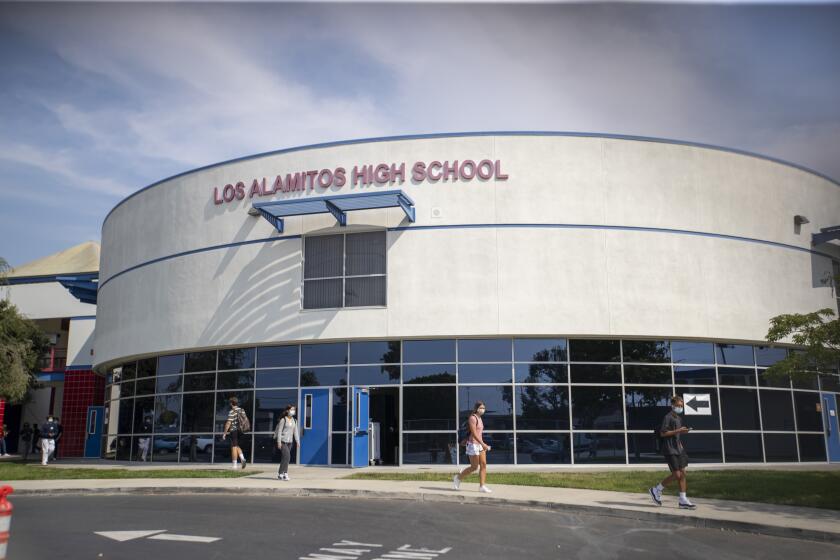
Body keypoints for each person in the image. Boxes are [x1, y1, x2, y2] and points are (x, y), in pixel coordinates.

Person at [649, 395, 697, 509]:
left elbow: (677, 435)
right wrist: (678, 430)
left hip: (679, 449)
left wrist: (682, 433)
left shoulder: (679, 419)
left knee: (683, 474)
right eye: (678, 405)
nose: (680, 407)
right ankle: (656, 490)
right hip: (670, 450)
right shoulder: (668, 417)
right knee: (677, 474)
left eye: (681, 406)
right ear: (672, 405)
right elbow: (663, 433)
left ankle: (683, 500)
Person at [453, 401, 492, 493]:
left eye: (484, 408)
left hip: (480, 444)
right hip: (473, 444)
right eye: (481, 408)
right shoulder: (472, 418)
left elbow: (479, 434)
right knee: (474, 467)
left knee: (483, 464)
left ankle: (482, 486)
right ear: (476, 408)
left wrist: (482, 444)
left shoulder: (480, 418)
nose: (483, 410)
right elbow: (474, 434)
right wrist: (483, 444)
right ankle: (458, 477)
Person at [273, 405, 300, 480]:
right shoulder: (283, 420)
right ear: (287, 410)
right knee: (287, 456)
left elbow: (296, 432)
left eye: (294, 410)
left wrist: (298, 441)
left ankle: (281, 474)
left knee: (285, 458)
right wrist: (279, 442)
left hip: (290, 442)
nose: (293, 411)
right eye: (291, 409)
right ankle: (285, 473)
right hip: (282, 441)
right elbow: (279, 432)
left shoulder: (294, 420)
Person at [222, 396, 248, 470]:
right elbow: (245, 419)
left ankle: (234, 465)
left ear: (231, 403)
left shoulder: (232, 411)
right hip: (241, 431)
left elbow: (228, 423)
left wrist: (224, 433)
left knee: (233, 447)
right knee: (236, 445)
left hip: (234, 431)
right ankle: (242, 458)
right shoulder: (242, 410)